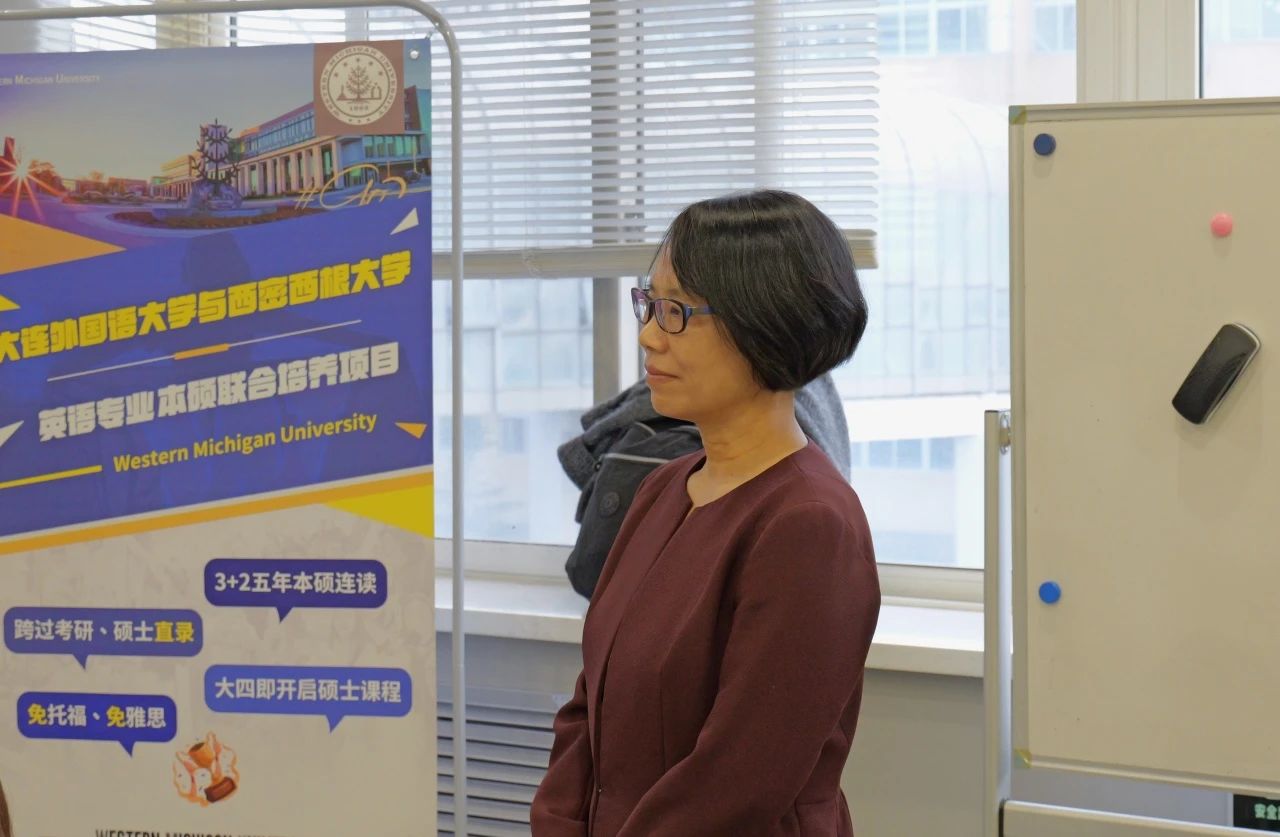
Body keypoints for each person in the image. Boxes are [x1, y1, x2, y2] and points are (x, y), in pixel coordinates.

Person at [531, 189, 881, 836]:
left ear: (765, 324)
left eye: (677, 313)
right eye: (650, 304)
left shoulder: (809, 523)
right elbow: (590, 706)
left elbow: (740, 780)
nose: (647, 336)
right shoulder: (664, 488)